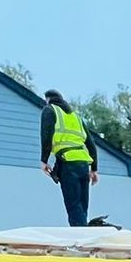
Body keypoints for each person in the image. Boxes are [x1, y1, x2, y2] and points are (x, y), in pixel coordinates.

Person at [38, 90, 98, 226]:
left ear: (47, 99)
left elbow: (46, 136)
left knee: (73, 206)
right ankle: (86, 235)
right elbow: (91, 144)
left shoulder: (49, 110)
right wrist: (94, 170)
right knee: (82, 207)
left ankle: (81, 239)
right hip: (83, 164)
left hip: (67, 163)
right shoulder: (75, 116)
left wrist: (44, 160)